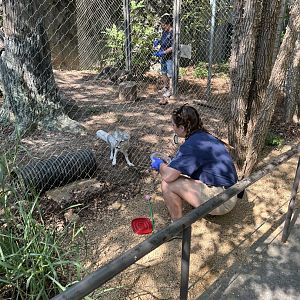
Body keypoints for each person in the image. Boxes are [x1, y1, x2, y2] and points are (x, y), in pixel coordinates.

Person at [150, 104, 238, 221]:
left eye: (173, 125)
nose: (172, 127)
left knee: (167, 184)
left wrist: (159, 164)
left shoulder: (192, 145)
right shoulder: (203, 135)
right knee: (179, 175)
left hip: (223, 201)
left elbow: (168, 176)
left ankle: (176, 227)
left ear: (181, 128)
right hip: (230, 192)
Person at [153, 14, 173, 99]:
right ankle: (166, 87)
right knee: (163, 72)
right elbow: (163, 40)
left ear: (168, 24)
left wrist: (163, 52)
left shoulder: (173, 33)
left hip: (170, 57)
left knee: (170, 74)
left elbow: (173, 47)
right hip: (164, 55)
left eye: (164, 25)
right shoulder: (165, 31)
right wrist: (158, 41)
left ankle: (171, 91)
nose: (162, 27)